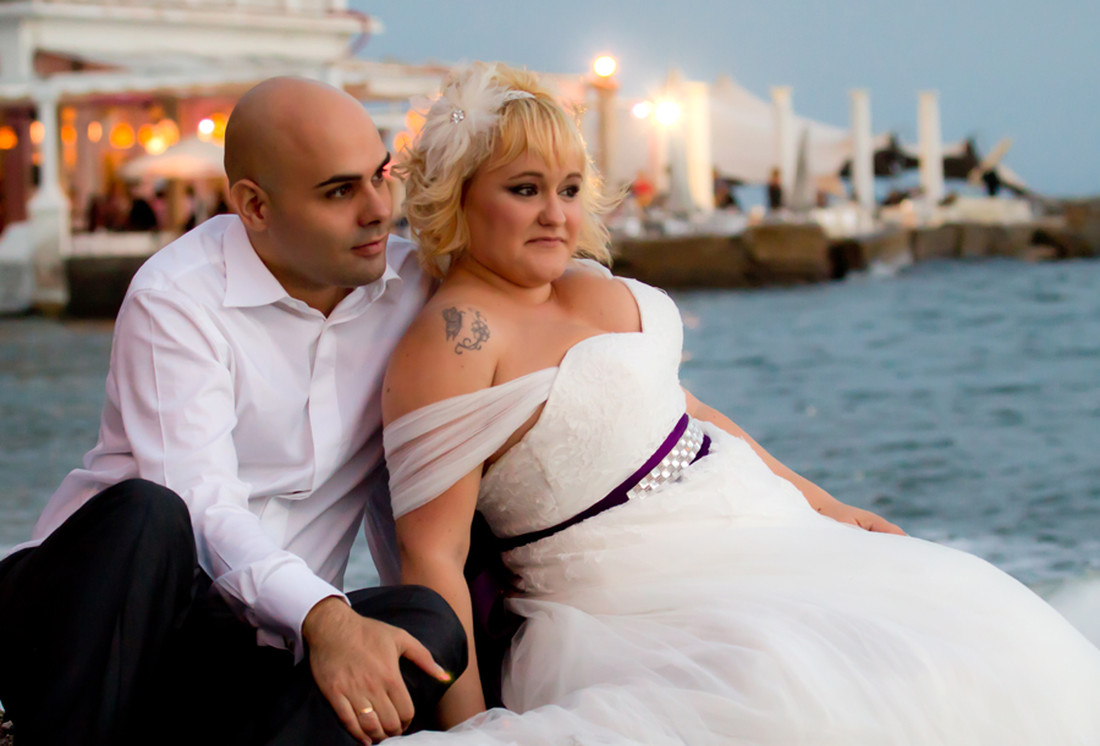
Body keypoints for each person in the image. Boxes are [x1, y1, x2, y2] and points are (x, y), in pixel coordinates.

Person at [380, 62, 1100, 743]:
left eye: (569, 190)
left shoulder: (584, 281)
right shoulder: (455, 339)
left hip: (766, 528)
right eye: (525, 189)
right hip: (636, 596)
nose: (556, 215)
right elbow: (433, 555)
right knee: (803, 692)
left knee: (975, 624)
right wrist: (472, 730)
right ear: (460, 194)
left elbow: (685, 412)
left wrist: (823, 503)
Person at [0, 77, 467, 746]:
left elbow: (536, 287)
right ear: (254, 205)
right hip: (102, 615)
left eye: (380, 175)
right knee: (151, 514)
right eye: (340, 191)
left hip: (251, 650)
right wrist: (324, 619)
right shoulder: (178, 296)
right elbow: (201, 505)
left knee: (425, 625)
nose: (378, 209)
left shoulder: (415, 288)